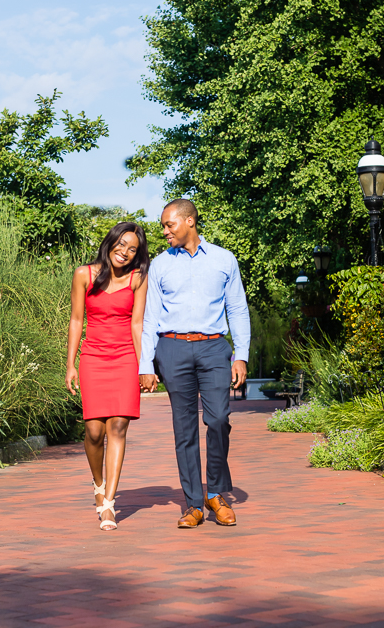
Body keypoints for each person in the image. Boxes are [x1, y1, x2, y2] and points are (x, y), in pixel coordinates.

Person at [139, 199, 250, 529]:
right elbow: (149, 318)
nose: (165, 231)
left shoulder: (223, 260)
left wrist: (240, 354)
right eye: (162, 226)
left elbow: (238, 310)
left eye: (169, 225)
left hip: (214, 348)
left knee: (219, 420)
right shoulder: (159, 265)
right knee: (183, 428)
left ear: (189, 221)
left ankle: (215, 493)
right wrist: (146, 363)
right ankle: (192, 504)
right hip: (171, 348)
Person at [66, 222, 150, 531]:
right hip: (93, 358)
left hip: (126, 356)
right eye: (122, 244)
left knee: (117, 426)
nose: (125, 252)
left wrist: (145, 366)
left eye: (133, 249)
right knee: (94, 432)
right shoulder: (83, 275)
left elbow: (138, 324)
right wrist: (70, 364)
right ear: (110, 242)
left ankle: (110, 504)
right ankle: (98, 484)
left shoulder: (138, 279)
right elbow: (76, 320)